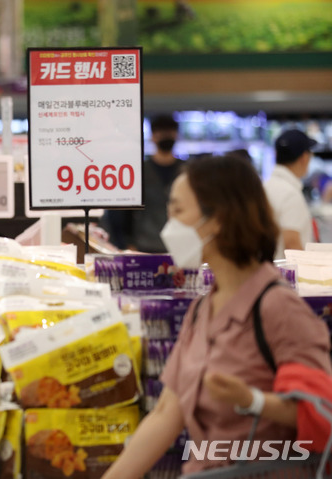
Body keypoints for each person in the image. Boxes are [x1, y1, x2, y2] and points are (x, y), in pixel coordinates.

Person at [102, 154, 332, 477]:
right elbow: (168, 410)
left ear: (218, 219)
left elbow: (322, 412)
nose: (169, 225)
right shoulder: (201, 310)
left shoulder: (278, 309)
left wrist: (253, 400)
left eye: (179, 210)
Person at [102, 114, 184, 253]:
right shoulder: (139, 171)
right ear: (153, 136)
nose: (166, 137)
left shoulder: (187, 172)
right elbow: (124, 211)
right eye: (161, 133)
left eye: (170, 133)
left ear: (176, 135)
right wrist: (128, 243)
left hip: (180, 246)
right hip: (143, 245)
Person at [264, 129, 317, 259]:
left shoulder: (265, 187)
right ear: (304, 158)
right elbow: (292, 243)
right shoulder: (290, 194)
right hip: (286, 276)